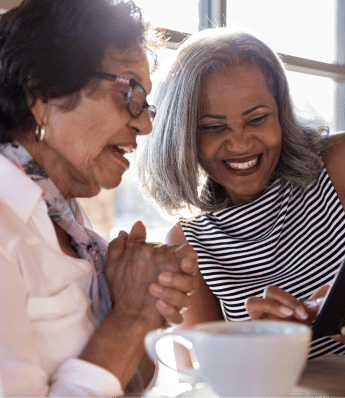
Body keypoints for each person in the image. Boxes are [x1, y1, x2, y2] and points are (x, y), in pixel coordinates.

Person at [139, 28, 345, 359]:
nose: (241, 143)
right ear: (184, 134)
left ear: (281, 112)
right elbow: (200, 380)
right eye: (214, 127)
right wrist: (253, 340)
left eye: (257, 118)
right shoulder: (187, 243)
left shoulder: (344, 164)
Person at [0, 0, 199, 396]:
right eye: (130, 90)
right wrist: (130, 316)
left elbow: (126, 384)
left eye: (148, 105)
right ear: (41, 94)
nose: (144, 125)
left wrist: (140, 303)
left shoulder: (71, 226)